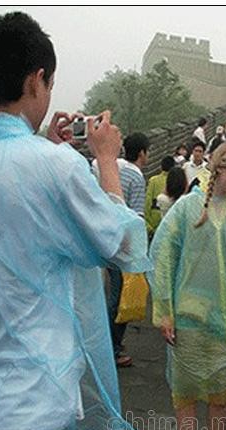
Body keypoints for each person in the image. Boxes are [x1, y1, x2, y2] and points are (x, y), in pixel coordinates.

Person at [0, 11, 151, 430]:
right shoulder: (54, 166)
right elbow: (124, 245)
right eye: (49, 85)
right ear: (36, 79)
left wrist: (47, 147)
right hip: (34, 400)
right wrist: (105, 158)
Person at [148, 142, 226, 430]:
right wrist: (165, 311)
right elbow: (162, 257)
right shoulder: (187, 208)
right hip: (188, 318)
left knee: (220, 397)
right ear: (219, 167)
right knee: (185, 396)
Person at [93, 132, 150, 368]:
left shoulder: (104, 167)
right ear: (142, 153)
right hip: (122, 245)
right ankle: (111, 349)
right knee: (119, 298)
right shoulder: (136, 178)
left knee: (105, 294)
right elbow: (135, 217)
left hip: (99, 236)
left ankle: (105, 345)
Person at [144, 155, 175, 236]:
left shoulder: (153, 180)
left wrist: (148, 226)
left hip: (153, 221)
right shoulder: (174, 181)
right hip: (169, 223)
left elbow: (147, 202)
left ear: (161, 167)